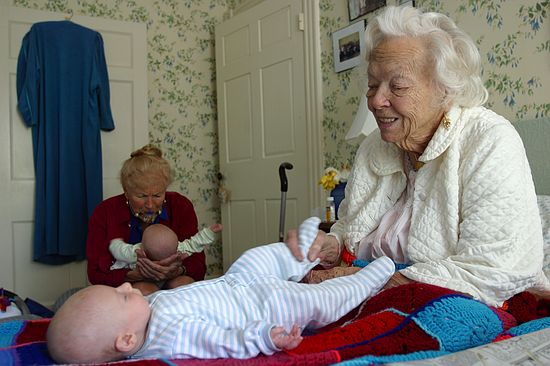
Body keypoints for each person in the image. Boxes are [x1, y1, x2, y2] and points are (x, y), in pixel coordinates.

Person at [286, 6, 550, 307]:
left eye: (397, 86)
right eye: (372, 85)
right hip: (361, 292)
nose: (375, 100)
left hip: (453, 303)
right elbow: (350, 227)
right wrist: (330, 246)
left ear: (445, 90)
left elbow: (495, 268)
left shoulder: (489, 140)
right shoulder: (374, 147)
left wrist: (365, 284)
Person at [47, 217, 395, 364]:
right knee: (319, 302)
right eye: (122, 296)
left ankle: (304, 250)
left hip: (235, 282)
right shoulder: (168, 337)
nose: (125, 285)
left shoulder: (145, 311)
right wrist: (263, 337)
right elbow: (220, 341)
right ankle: (371, 277)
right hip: (261, 308)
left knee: (259, 257)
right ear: (125, 341)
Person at [86, 144, 207, 295]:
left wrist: (177, 270)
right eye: (141, 196)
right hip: (130, 284)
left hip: (174, 278)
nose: (150, 205)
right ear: (126, 192)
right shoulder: (104, 212)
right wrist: (133, 275)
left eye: (157, 195)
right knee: (142, 291)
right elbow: (95, 274)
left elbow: (199, 265)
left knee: (183, 287)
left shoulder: (180, 206)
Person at [109, 223, 222, 291]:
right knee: (141, 290)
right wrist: (209, 232)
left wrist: (115, 242)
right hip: (143, 280)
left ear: (142, 247)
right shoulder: (177, 249)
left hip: (167, 279)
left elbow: (119, 251)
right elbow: (194, 243)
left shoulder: (135, 253)